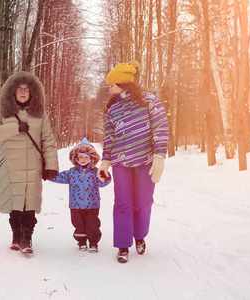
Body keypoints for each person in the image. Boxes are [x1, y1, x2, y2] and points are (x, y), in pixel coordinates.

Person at [98, 60, 169, 263]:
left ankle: (139, 236)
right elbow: (109, 137)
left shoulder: (149, 101)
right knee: (122, 203)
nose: (109, 88)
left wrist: (159, 155)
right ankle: (122, 244)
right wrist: (105, 162)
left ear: (122, 83)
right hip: (121, 164)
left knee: (143, 202)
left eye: (111, 84)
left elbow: (161, 127)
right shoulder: (113, 109)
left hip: (145, 161)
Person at [0, 71, 59, 255]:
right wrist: (15, 127)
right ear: (13, 92)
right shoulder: (1, 112)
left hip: (32, 168)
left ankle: (27, 238)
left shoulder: (40, 115)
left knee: (29, 205)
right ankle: (16, 235)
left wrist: (51, 165)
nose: (23, 92)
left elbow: (48, 140)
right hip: (10, 167)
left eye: (27, 89)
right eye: (20, 89)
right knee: (14, 205)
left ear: (32, 92)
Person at [48, 138, 112, 253]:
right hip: (75, 205)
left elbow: (102, 183)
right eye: (80, 157)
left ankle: (93, 243)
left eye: (85, 157)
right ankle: (82, 242)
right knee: (79, 225)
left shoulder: (95, 172)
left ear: (91, 159)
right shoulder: (72, 172)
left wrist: (106, 176)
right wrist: (49, 174)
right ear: (76, 158)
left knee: (93, 225)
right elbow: (59, 177)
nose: (82, 160)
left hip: (92, 205)